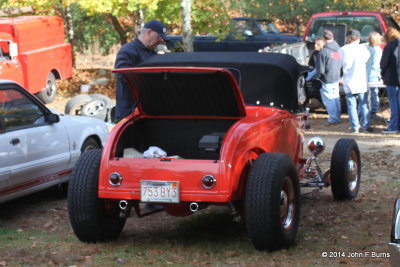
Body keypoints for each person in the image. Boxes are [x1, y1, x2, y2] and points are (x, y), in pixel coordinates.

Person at [114, 19, 169, 122]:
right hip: (128, 114)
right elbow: (123, 76)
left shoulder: (153, 54)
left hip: (148, 113)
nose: (160, 41)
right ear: (149, 32)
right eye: (159, 37)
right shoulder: (128, 51)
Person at [339, 30, 371, 133]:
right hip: (361, 80)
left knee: (351, 105)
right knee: (364, 104)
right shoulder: (363, 49)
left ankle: (355, 127)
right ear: (358, 38)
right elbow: (367, 60)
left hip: (349, 80)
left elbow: (336, 61)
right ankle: (366, 125)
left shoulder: (342, 49)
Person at [314, 30, 342, 125]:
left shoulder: (323, 52)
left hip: (326, 79)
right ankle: (337, 116)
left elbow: (320, 69)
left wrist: (317, 78)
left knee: (329, 100)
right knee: (336, 98)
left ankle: (333, 118)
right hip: (336, 77)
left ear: (324, 39)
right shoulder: (338, 48)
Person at [380, 27, 400, 134]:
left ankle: (393, 126)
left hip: (391, 78)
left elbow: (383, 64)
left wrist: (382, 74)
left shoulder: (389, 47)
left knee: (393, 103)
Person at [366, 32, 383, 119]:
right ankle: (373, 112)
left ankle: (366, 113)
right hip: (373, 75)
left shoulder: (366, 48)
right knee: (374, 94)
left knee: (366, 95)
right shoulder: (378, 50)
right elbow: (376, 65)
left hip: (365, 74)